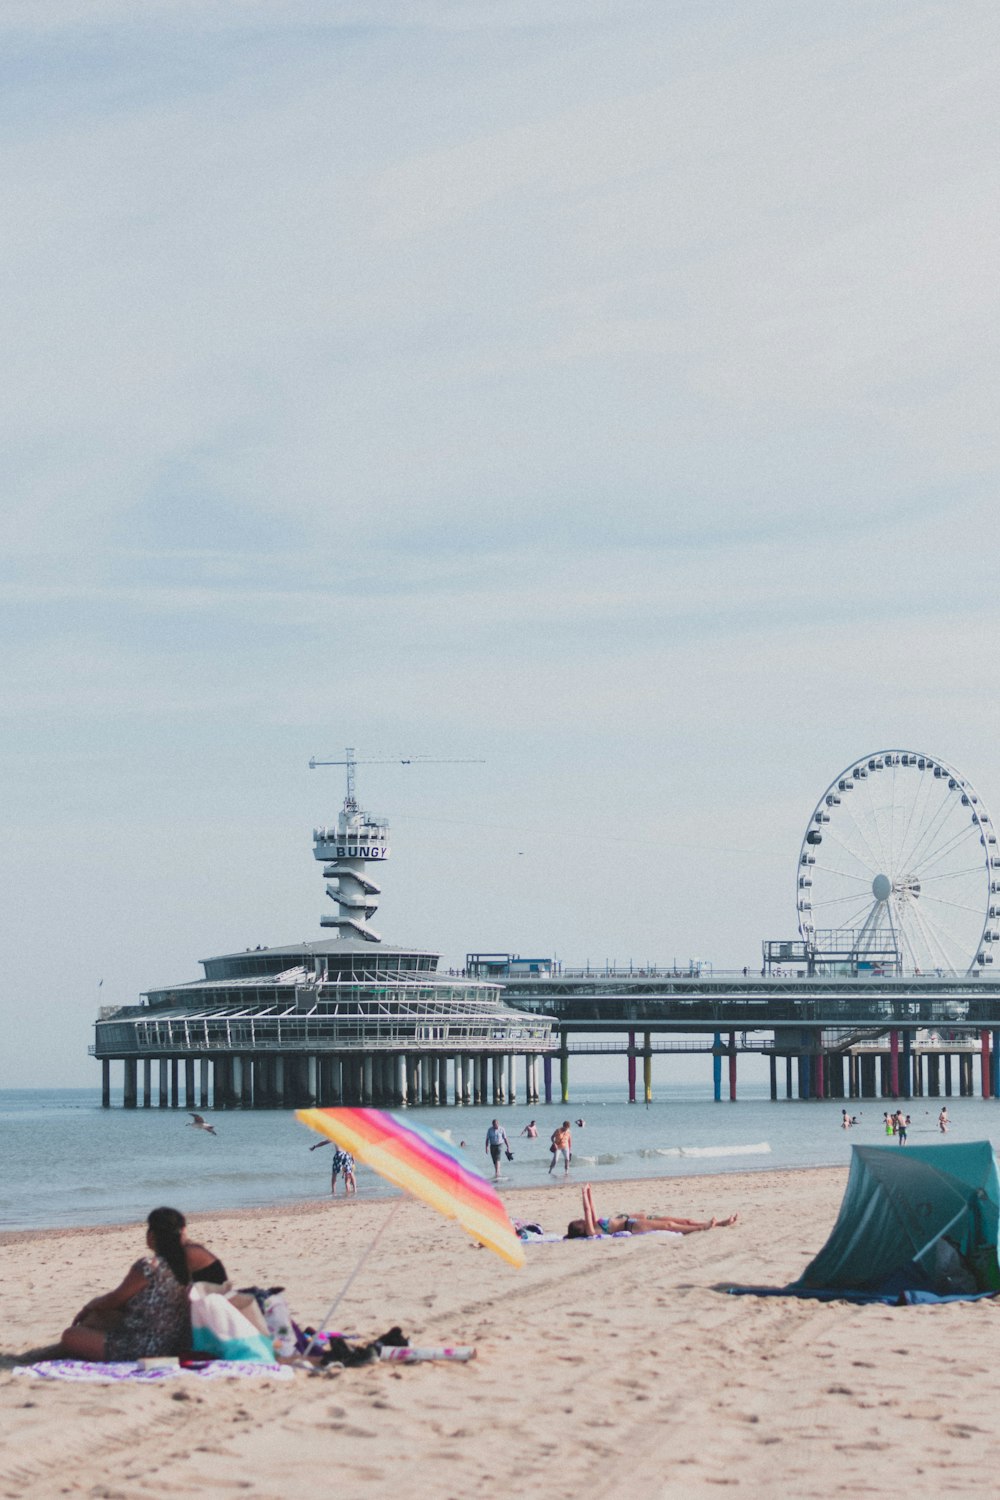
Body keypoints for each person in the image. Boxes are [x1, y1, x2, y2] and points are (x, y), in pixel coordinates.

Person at [60, 1207, 226, 1360]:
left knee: (71, 1335)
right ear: (182, 1232)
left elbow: (114, 1298)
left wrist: (89, 1306)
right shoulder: (190, 1263)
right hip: (177, 1342)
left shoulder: (148, 1266)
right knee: (98, 1320)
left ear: (151, 1236)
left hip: (145, 1348)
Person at [566, 1184, 738, 1239]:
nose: (583, 1219)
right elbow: (588, 1210)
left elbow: (592, 1209)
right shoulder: (591, 1231)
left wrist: (589, 1192)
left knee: (684, 1220)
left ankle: (721, 1223)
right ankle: (702, 1228)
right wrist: (583, 1194)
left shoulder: (596, 1224)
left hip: (640, 1217)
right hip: (633, 1225)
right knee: (670, 1225)